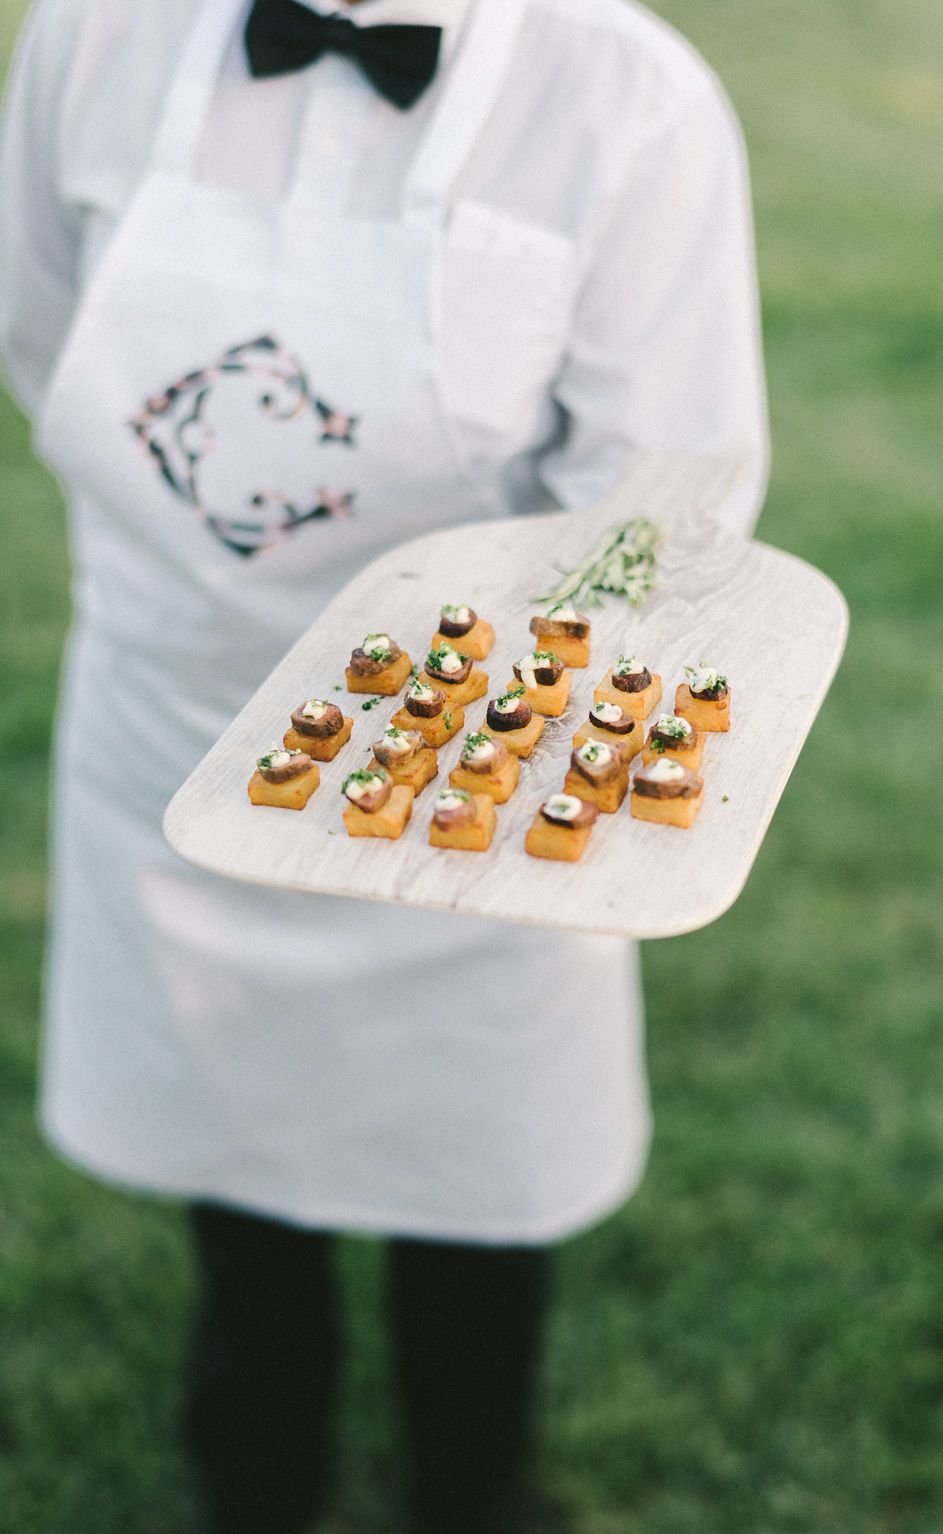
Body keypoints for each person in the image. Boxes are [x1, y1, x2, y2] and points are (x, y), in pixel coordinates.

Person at [0, 0, 768, 1529]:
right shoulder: (93, 33)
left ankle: (471, 1486)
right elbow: (38, 327)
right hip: (176, 730)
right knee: (234, 1173)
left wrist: (433, 711)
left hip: (475, 774)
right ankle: (254, 1473)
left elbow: (663, 506)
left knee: (476, 1204)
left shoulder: (632, 101)